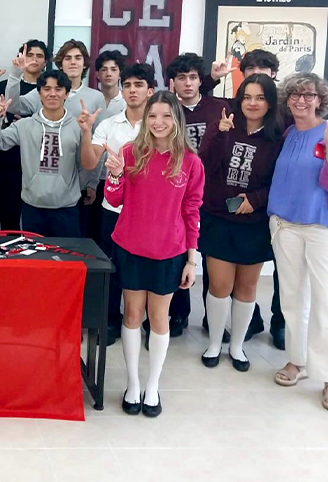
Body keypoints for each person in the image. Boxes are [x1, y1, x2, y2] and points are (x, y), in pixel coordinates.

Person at [103, 91, 204, 417]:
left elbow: (192, 211)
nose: (158, 122)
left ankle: (152, 386)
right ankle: (133, 384)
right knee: (132, 315)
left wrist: (192, 259)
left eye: (165, 116)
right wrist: (115, 174)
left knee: (159, 318)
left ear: (176, 119)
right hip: (130, 246)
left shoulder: (190, 162)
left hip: (170, 251)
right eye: (152, 116)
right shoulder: (131, 152)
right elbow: (114, 200)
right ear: (145, 120)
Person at [268, 73, 328, 412]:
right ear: (287, 100)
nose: (301, 101)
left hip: (324, 228)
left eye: (309, 95)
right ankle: (297, 361)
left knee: (326, 301)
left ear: (320, 100)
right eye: (295, 95)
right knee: (292, 299)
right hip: (286, 226)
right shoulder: (289, 134)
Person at [199, 75, 282, 371]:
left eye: (259, 98)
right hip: (219, 218)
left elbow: (281, 182)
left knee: (246, 289)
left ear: (269, 102)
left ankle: (237, 348)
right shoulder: (225, 124)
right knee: (219, 285)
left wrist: (256, 201)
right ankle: (214, 343)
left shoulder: (278, 135)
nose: (252, 103)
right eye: (247, 97)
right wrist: (218, 134)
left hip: (254, 222)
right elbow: (204, 166)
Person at [79, 63, 155, 346]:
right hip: (114, 210)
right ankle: (109, 321)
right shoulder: (109, 125)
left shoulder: (160, 123)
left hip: (150, 213)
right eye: (128, 85)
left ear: (150, 90)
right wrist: (87, 131)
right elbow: (89, 162)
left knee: (146, 269)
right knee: (112, 267)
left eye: (138, 85)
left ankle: (147, 322)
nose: (132, 90)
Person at [166, 52, 227, 338]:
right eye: (181, 78)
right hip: (178, 196)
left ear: (201, 80)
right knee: (180, 255)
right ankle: (178, 314)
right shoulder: (167, 113)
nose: (188, 83)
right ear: (173, 82)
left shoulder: (219, 108)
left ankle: (212, 320)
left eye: (193, 77)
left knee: (213, 259)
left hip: (214, 195)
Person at [0, 71, 85, 237]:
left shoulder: (78, 126)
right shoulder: (24, 125)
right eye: (46, 89)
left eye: (58, 89)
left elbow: (85, 165)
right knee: (34, 260)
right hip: (32, 207)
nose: (52, 93)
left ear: (66, 94)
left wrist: (79, 187)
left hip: (67, 208)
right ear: (39, 94)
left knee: (67, 261)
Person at [0, 40, 50, 230]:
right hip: (9, 155)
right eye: (30, 55)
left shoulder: (50, 89)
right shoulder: (4, 86)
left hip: (38, 157)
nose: (34, 60)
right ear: (21, 58)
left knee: (35, 213)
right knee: (8, 209)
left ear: (46, 61)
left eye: (39, 56)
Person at [81, 50, 128, 245]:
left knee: (112, 232)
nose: (109, 73)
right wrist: (91, 181)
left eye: (113, 69)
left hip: (119, 178)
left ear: (120, 73)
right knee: (91, 229)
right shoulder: (91, 100)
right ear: (97, 74)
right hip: (93, 175)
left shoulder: (127, 102)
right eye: (103, 69)